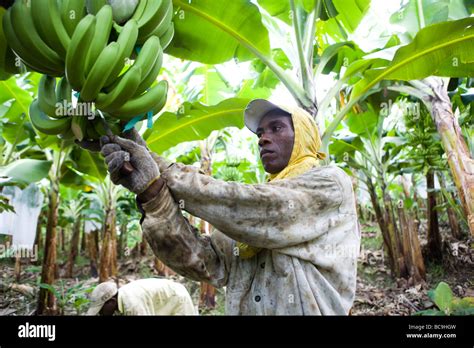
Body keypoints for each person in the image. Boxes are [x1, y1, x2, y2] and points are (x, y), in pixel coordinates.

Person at [91, 99, 361, 315]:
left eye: (276, 128)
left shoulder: (329, 184)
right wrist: (153, 193)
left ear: (304, 136)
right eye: (260, 132)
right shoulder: (246, 226)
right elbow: (206, 263)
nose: (263, 138)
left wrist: (158, 165)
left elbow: (257, 207)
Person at [87, 278, 196, 315]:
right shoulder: (122, 300)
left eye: (101, 310)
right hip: (164, 302)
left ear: (111, 302)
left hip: (177, 299)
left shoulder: (132, 304)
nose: (100, 313)